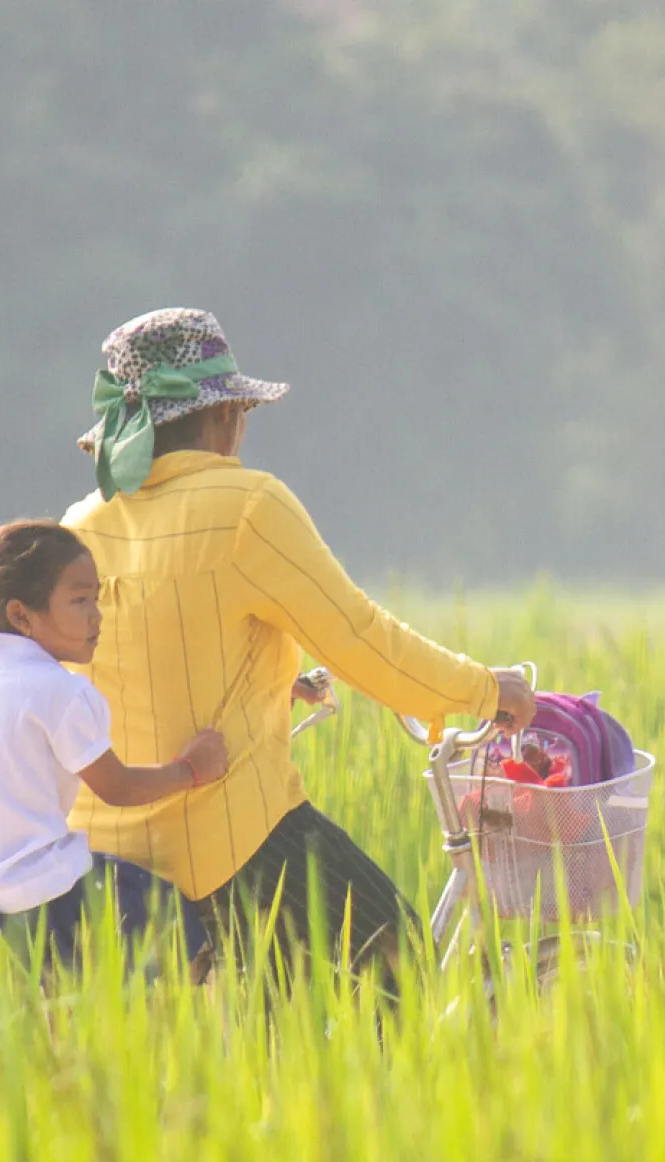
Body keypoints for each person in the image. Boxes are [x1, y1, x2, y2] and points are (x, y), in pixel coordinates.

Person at [59, 308, 534, 986]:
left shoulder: (81, 522)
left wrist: (277, 685)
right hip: (228, 841)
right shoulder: (248, 505)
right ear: (225, 417)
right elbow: (361, 639)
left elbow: (135, 663)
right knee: (400, 966)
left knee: (272, 1011)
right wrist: (486, 689)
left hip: (104, 850)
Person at [0, 519, 230, 976]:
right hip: (48, 908)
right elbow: (117, 787)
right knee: (176, 926)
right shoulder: (60, 691)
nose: (96, 616)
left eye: (95, 600)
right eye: (80, 601)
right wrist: (192, 769)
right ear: (22, 615)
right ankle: (157, 1035)